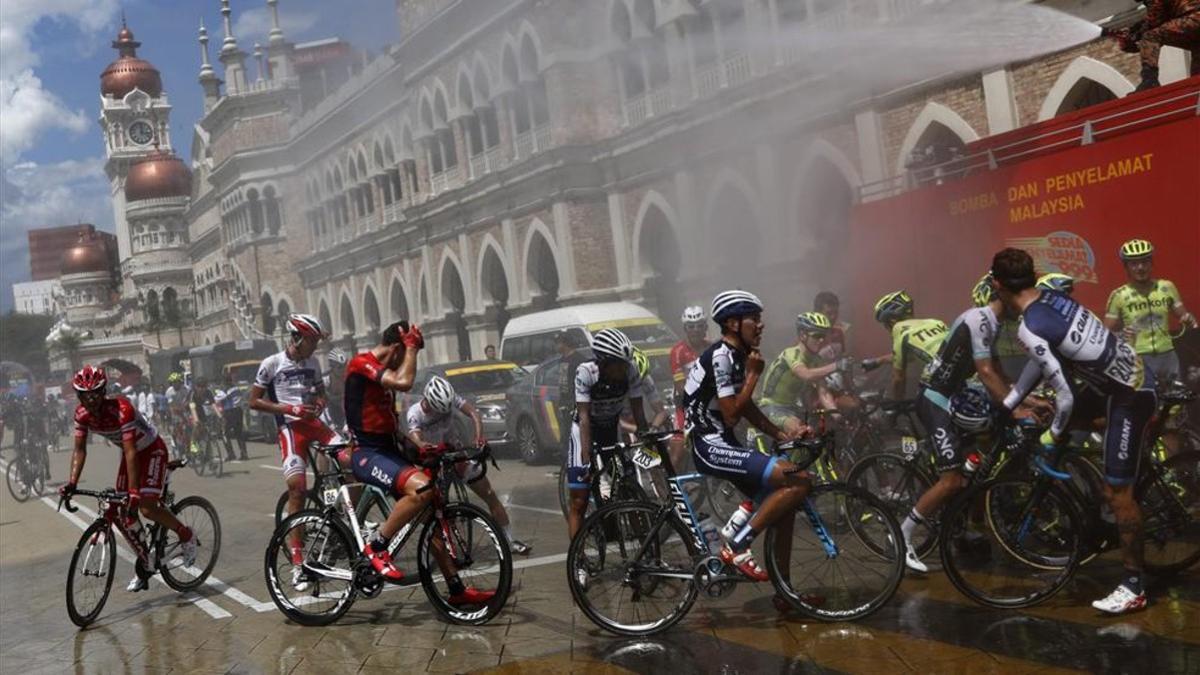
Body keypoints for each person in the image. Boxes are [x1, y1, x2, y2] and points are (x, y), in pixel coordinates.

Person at [991, 247, 1157, 615]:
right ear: (1034, 276)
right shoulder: (1050, 298)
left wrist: (1051, 437)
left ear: (998, 286)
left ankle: (1133, 586)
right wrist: (1013, 398)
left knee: (1118, 492)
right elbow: (1042, 359)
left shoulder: (1028, 325)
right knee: (1060, 421)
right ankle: (1105, 478)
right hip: (1122, 381)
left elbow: (1065, 396)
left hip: (1129, 395)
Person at [344, 322, 495, 605]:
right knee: (422, 489)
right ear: (398, 348)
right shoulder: (360, 363)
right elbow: (405, 382)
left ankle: (456, 589)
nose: (410, 360)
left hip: (388, 448)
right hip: (366, 452)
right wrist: (411, 347)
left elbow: (391, 425)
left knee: (431, 508)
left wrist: (420, 447)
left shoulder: (384, 371)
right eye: (409, 353)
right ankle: (377, 547)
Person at [899, 274, 1027, 572]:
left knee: (983, 456)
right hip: (935, 399)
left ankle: (965, 517)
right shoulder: (979, 319)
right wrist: (1015, 407)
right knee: (952, 479)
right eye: (1018, 298)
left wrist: (1028, 400)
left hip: (955, 396)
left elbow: (999, 372)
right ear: (1004, 296)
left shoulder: (993, 324)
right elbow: (985, 372)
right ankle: (904, 535)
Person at [683, 290, 809, 591]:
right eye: (754, 319)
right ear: (733, 323)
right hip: (709, 444)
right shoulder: (721, 356)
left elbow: (748, 407)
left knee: (785, 501)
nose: (761, 325)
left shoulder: (737, 356)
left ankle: (786, 593)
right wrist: (753, 376)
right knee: (798, 480)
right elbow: (731, 414)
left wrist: (782, 434)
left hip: (723, 440)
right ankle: (738, 546)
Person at [60, 366, 196, 592]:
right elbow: (80, 450)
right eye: (84, 395)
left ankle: (186, 534)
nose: (90, 399)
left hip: (151, 450)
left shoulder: (122, 409)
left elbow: (132, 451)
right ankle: (146, 560)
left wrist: (134, 492)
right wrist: (72, 483)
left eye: (95, 393)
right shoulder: (81, 414)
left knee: (146, 508)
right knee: (122, 511)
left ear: (103, 392)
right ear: (79, 396)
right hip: (129, 453)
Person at [249, 313, 343, 589]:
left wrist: (320, 403)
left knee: (352, 458)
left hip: (314, 424)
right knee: (297, 488)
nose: (314, 347)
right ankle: (299, 562)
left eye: (315, 341)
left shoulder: (313, 362)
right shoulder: (271, 364)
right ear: (296, 338)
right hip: (290, 429)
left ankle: (356, 522)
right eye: (311, 341)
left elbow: (321, 393)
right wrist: (289, 409)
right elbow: (253, 401)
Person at [405, 376, 532, 555]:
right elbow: (414, 436)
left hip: (455, 453)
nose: (442, 414)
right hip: (434, 460)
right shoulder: (415, 412)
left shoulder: (451, 397)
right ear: (427, 401)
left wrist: (479, 437)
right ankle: (446, 549)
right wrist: (422, 445)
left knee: (489, 493)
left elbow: (474, 414)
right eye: (438, 410)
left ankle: (509, 540)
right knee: (438, 508)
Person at [567, 328, 649, 586]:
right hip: (584, 431)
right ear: (603, 362)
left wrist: (646, 438)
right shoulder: (586, 372)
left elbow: (638, 411)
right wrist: (587, 455)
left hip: (610, 428)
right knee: (579, 501)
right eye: (618, 365)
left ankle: (645, 556)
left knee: (628, 489)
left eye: (626, 365)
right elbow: (584, 416)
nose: (624, 370)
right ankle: (578, 562)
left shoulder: (631, 371)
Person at [1105, 239, 1196, 386]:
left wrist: (1188, 318)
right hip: (1139, 357)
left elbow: (1184, 315)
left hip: (1168, 355)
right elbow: (1106, 331)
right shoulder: (1118, 295)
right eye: (1134, 264)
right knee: (1147, 405)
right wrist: (1122, 333)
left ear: (1151, 263)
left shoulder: (1167, 287)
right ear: (1126, 267)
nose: (1140, 268)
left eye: (1144, 262)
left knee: (1176, 404)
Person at [758, 312, 848, 437]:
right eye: (817, 335)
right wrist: (836, 366)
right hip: (771, 406)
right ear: (802, 335)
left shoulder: (817, 360)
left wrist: (837, 415)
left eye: (823, 335)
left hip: (792, 407)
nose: (821, 340)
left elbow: (824, 393)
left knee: (822, 431)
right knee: (801, 430)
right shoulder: (791, 353)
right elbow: (806, 374)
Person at [873, 290, 948, 400]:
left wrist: (897, 403)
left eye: (885, 324)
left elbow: (898, 378)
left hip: (944, 378)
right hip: (966, 368)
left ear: (892, 320)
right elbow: (917, 354)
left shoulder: (900, 331)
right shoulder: (935, 322)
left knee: (923, 402)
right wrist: (879, 361)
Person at [1135, 0, 1200, 91]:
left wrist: (1139, 33)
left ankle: (1149, 79)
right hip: (1194, 24)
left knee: (1151, 36)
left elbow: (1155, 17)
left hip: (1194, 17)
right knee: (1197, 68)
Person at [214, 372, 248, 461]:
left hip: (229, 412)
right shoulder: (237, 388)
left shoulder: (224, 390)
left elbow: (216, 400)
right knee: (239, 433)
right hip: (239, 411)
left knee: (224, 433)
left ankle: (231, 454)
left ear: (224, 381)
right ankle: (244, 453)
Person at [813, 291, 850, 361]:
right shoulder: (808, 337)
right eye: (829, 313)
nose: (833, 317)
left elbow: (842, 358)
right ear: (818, 313)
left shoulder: (839, 333)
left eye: (836, 312)